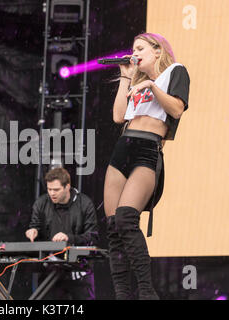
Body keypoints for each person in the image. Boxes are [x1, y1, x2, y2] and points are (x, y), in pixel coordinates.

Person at [104, 33, 190, 300]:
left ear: (157, 50)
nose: (135, 53)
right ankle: (121, 293)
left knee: (127, 218)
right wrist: (126, 77)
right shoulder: (138, 83)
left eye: (140, 48)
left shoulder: (175, 72)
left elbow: (176, 109)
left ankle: (147, 292)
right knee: (112, 226)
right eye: (133, 49)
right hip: (123, 148)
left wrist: (152, 87)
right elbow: (119, 116)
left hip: (147, 148)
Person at [26, 167, 99, 300]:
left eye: (56, 190)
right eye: (49, 189)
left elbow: (93, 237)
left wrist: (69, 238)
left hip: (79, 271)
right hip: (50, 269)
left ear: (67, 187)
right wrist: (33, 231)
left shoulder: (85, 203)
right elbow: (34, 225)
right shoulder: (41, 203)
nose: (52, 193)